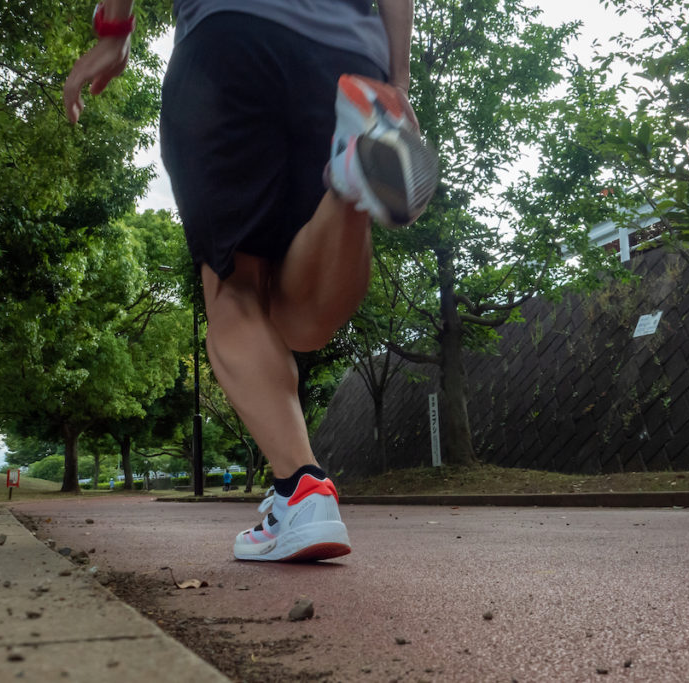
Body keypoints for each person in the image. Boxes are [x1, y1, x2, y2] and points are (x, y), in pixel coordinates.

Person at [64, 0, 436, 562]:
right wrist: (396, 82)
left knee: (232, 288)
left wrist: (114, 28)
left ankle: (302, 490)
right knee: (303, 322)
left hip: (227, 38)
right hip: (345, 57)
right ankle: (351, 173)